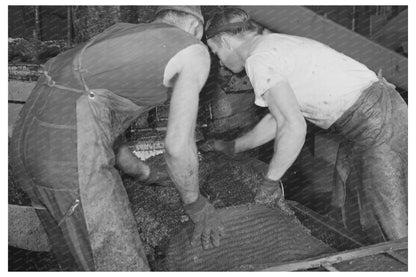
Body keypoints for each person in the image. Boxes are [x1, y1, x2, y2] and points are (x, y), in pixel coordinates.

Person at [10, 6, 224, 271]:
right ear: (197, 28)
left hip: (28, 151)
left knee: (79, 258)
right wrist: (196, 204)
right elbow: (178, 145)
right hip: (69, 157)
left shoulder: (118, 34)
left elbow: (100, 122)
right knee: (118, 263)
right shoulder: (193, 49)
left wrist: (144, 172)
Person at [201, 7, 407, 241]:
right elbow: (279, 118)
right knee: (352, 203)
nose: (219, 60)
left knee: (392, 223)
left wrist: (270, 182)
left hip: (375, 124)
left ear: (225, 41)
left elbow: (293, 126)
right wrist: (233, 147)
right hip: (376, 116)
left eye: (215, 51)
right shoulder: (272, 44)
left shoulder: (259, 59)